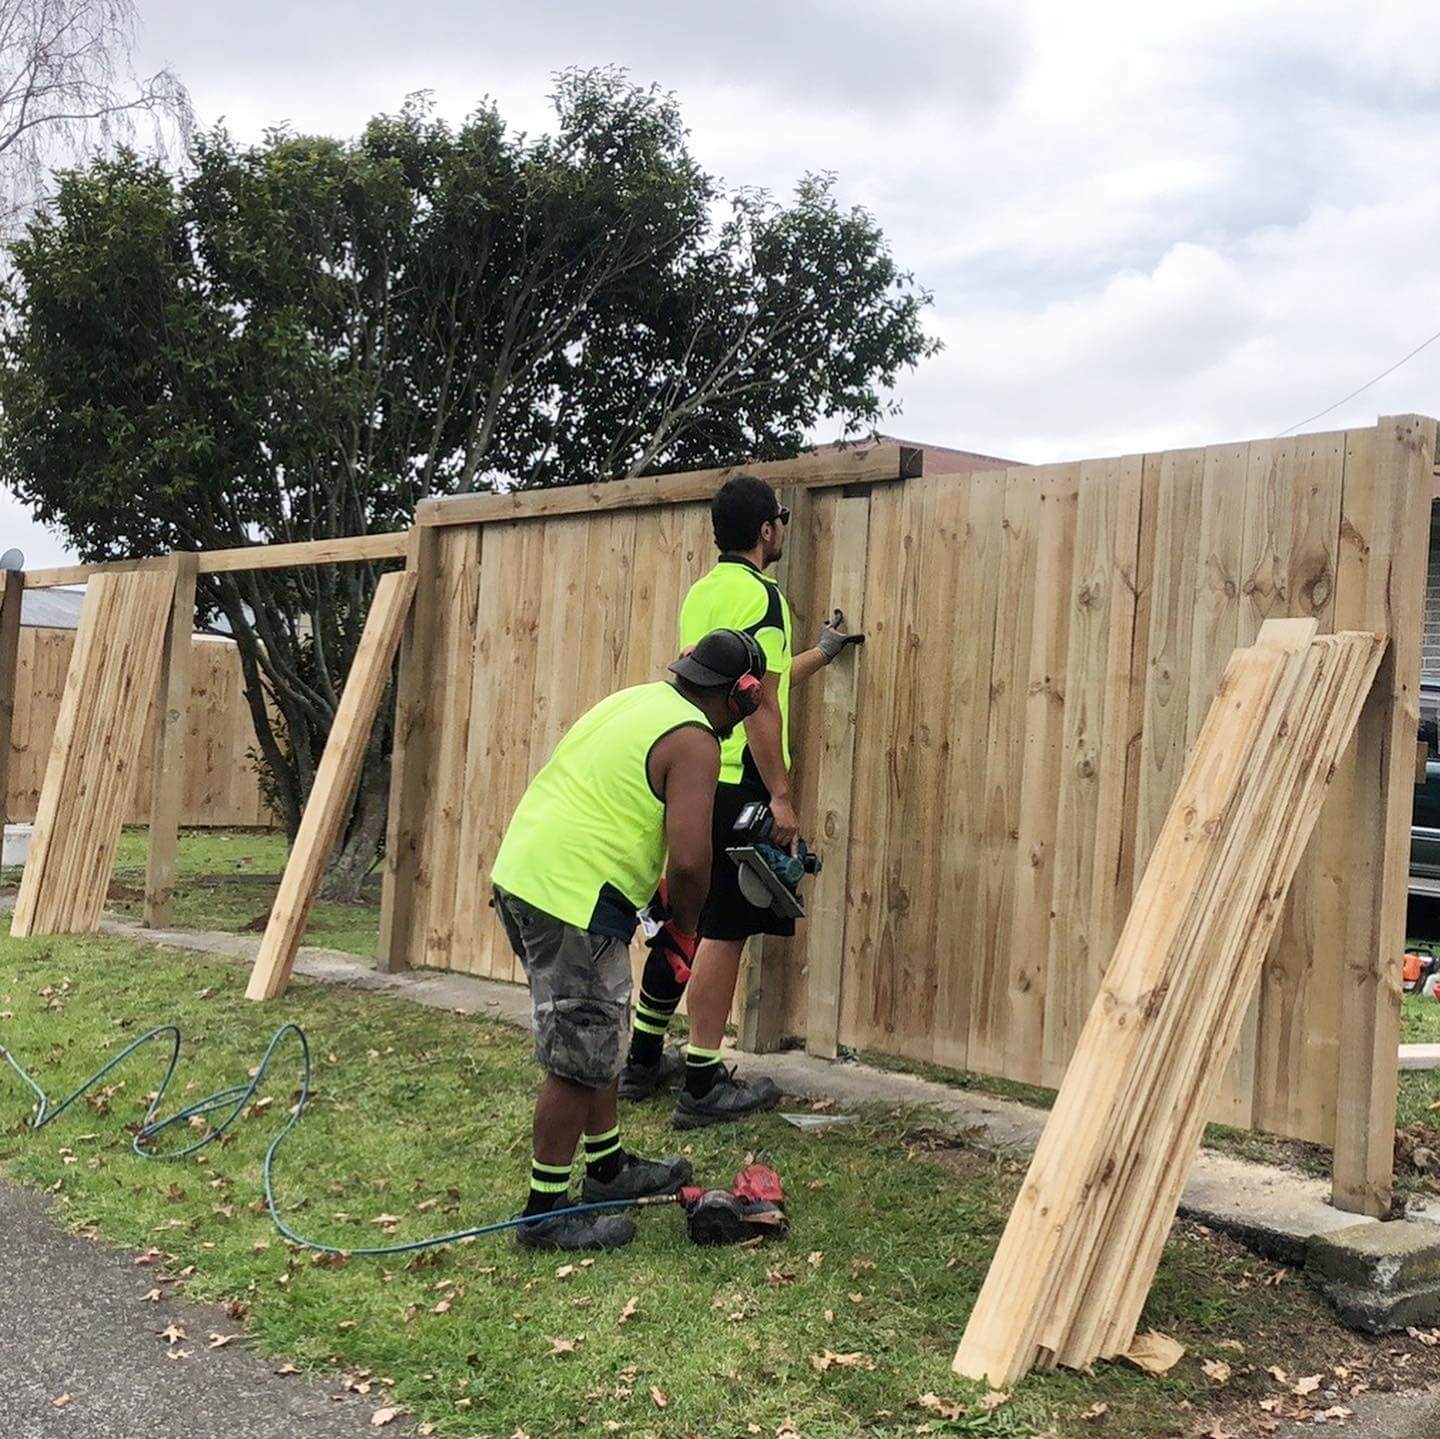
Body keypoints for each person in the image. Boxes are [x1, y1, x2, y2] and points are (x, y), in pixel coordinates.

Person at [490, 628, 767, 1251]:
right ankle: (544, 1213)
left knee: (600, 1035)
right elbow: (692, 862)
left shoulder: (638, 701)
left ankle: (608, 1169)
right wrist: (686, 926)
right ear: (741, 695)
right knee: (577, 1055)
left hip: (528, 878)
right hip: (570, 898)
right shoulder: (694, 739)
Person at [619, 474, 864, 1126]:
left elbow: (759, 680)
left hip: (688, 773)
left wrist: (821, 653)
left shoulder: (704, 593)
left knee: (681, 914)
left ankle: (642, 1059)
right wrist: (781, 795)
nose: (782, 526)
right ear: (766, 529)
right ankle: (702, 1081)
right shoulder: (765, 596)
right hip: (738, 781)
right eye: (780, 518)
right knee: (724, 930)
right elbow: (759, 711)